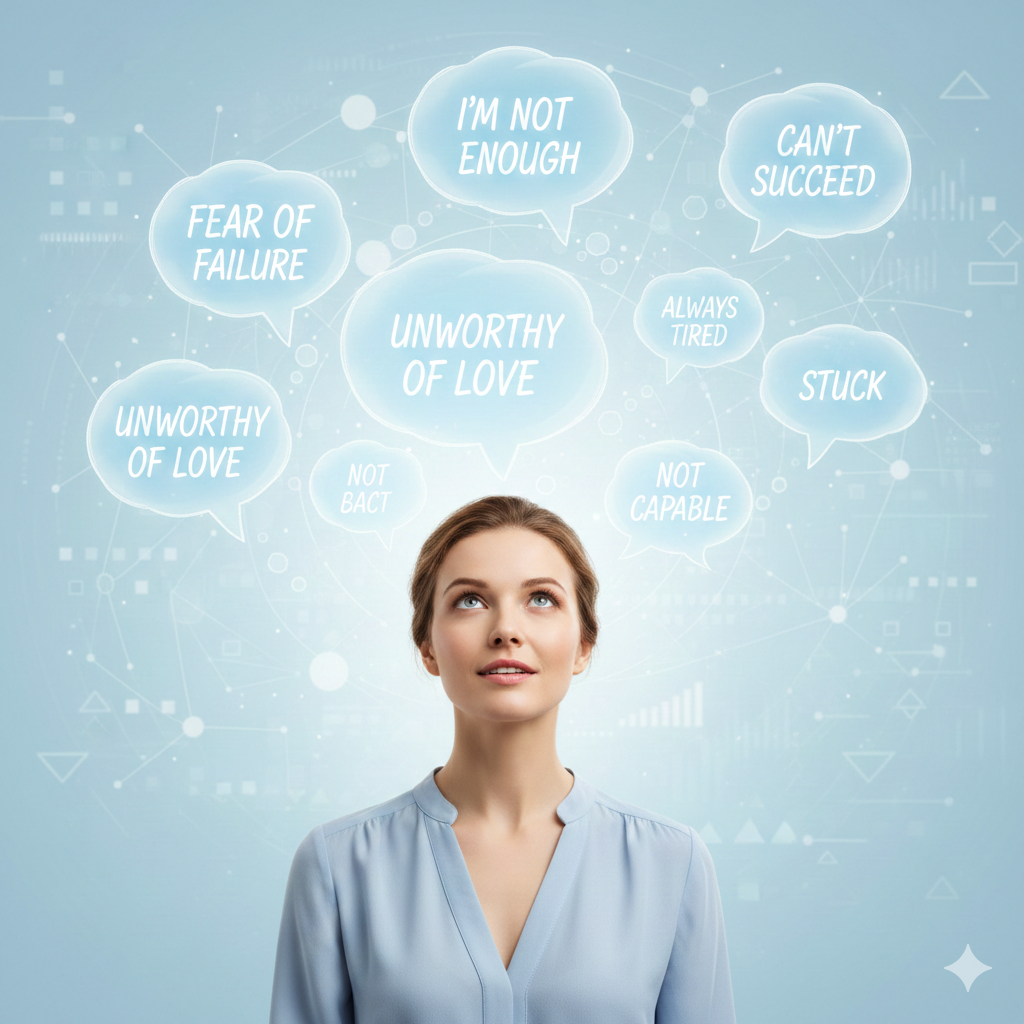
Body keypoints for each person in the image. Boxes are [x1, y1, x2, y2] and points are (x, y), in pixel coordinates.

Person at [270, 495, 736, 1024]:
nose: (505, 630)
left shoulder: (672, 862)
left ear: (584, 645)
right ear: (427, 646)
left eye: (541, 599)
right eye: (470, 600)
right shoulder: (338, 864)